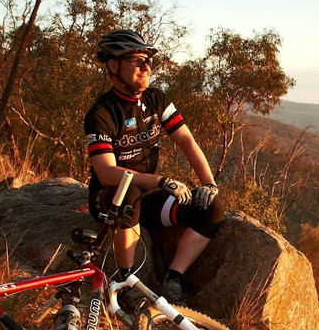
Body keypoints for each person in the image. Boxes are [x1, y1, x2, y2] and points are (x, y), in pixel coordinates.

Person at [84, 29, 224, 305]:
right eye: (137, 60)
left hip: (150, 201)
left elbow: (186, 140)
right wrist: (160, 180)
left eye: (148, 60)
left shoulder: (156, 100)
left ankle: (172, 279)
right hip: (110, 198)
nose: (146, 67)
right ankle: (125, 283)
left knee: (211, 209)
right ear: (113, 65)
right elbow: (106, 172)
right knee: (128, 195)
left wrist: (209, 183)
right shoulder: (102, 113)